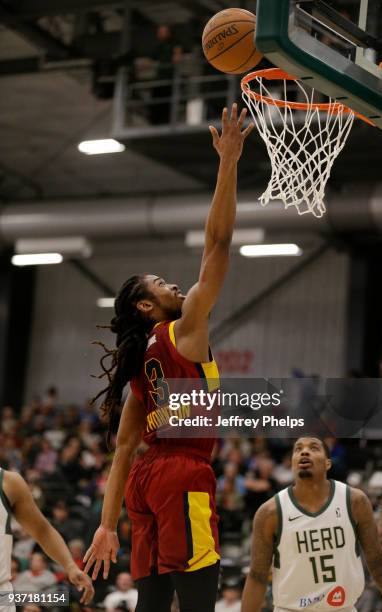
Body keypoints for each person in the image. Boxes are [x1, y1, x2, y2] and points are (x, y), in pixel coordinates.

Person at [83, 103, 254, 612]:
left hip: (143, 482)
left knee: (154, 603)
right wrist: (228, 162)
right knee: (200, 591)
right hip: (182, 470)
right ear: (145, 305)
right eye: (161, 283)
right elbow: (219, 244)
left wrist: (106, 525)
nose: (175, 284)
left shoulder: (140, 369)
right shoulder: (184, 330)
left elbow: (124, 451)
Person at [241, 436, 382, 612]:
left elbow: (378, 562)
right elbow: (257, 576)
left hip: (343, 608)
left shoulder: (354, 501)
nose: (304, 451)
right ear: (293, 462)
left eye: (314, 448)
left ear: (328, 463)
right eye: (298, 449)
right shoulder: (269, 512)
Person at [0, 467, 94, 611]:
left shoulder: (9, 482)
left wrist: (69, 566)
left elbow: (42, 530)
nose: (34, 562)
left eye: (37, 560)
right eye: (33, 560)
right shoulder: (22, 577)